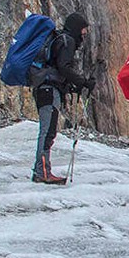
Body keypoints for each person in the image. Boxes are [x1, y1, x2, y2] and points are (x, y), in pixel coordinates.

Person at [28, 12, 95, 185]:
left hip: (45, 87)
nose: (84, 34)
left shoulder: (60, 40)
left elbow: (58, 68)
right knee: (48, 130)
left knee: (47, 129)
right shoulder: (68, 41)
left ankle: (42, 169)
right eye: (83, 30)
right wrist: (83, 82)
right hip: (49, 89)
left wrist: (71, 85)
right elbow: (63, 67)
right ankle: (42, 171)